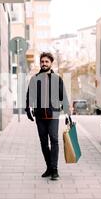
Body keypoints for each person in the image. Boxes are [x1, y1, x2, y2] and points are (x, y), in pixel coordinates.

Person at [25, 52, 71, 181]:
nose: (44, 64)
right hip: (39, 115)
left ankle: (55, 169)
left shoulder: (57, 79)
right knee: (44, 143)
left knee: (54, 140)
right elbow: (30, 95)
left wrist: (68, 113)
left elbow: (64, 96)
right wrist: (27, 109)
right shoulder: (34, 79)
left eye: (46, 61)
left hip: (54, 114)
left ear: (51, 63)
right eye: (42, 61)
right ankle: (49, 167)